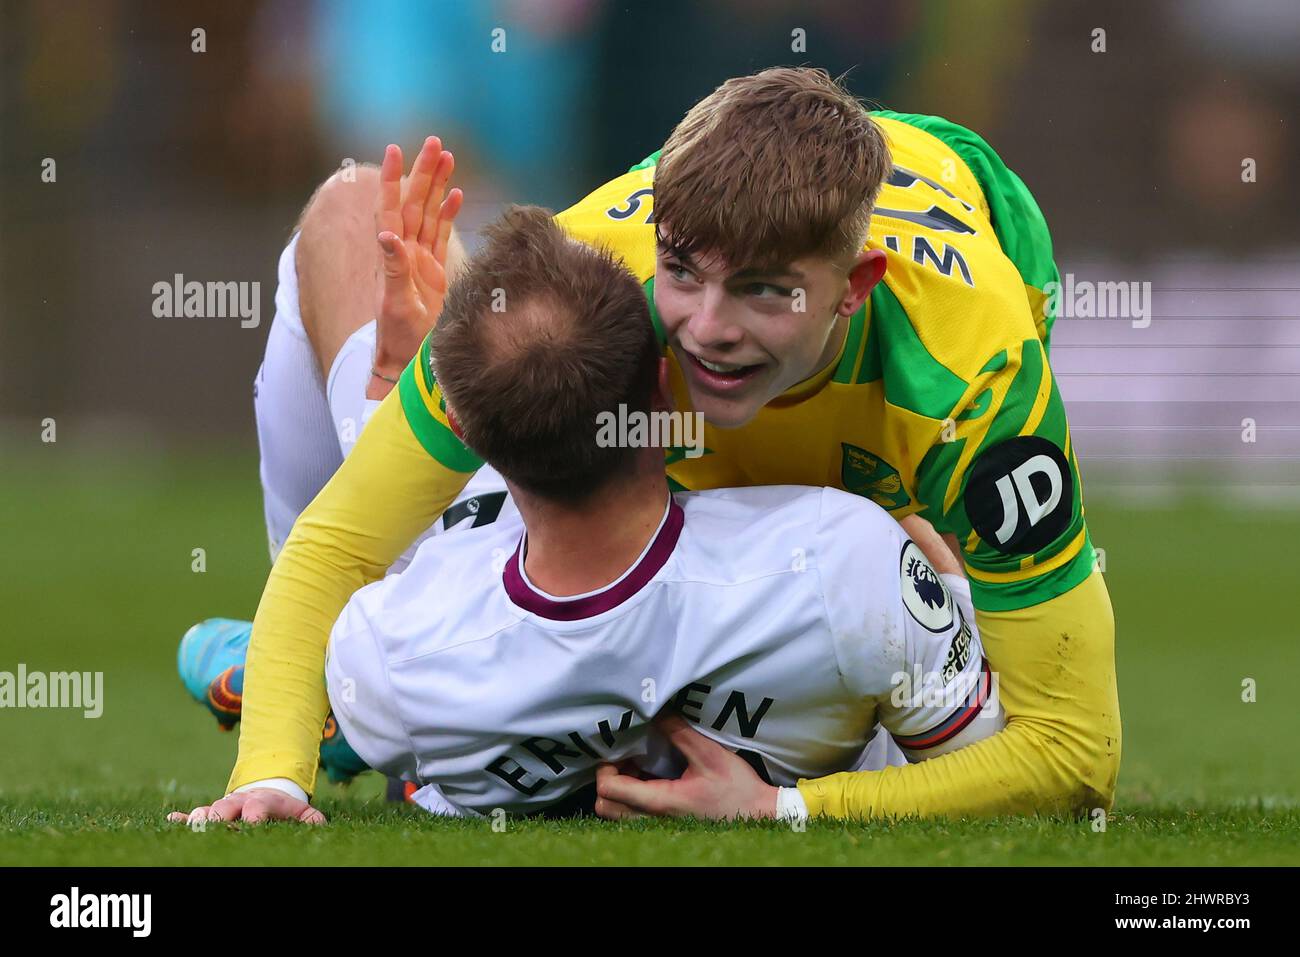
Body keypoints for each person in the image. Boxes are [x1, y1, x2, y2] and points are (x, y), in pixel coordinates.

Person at [202, 66, 1119, 823]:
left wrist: (787, 807)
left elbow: (1075, 756)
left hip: (958, 256)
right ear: (654, 241)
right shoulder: (588, 281)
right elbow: (337, 541)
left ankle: (388, 676)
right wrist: (270, 776)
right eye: (683, 272)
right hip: (632, 472)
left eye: (763, 291)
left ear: (853, 287)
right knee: (350, 208)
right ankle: (337, 679)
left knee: (931, 600)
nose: (706, 330)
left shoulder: (975, 388)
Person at [187, 207, 1002, 825]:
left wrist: (272, 771)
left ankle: (278, 676)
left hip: (435, 621)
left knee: (348, 208)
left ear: (455, 431)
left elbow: (342, 569)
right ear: (661, 387)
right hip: (477, 572)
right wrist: (784, 807)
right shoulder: (845, 553)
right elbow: (1010, 766)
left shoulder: (391, 639)